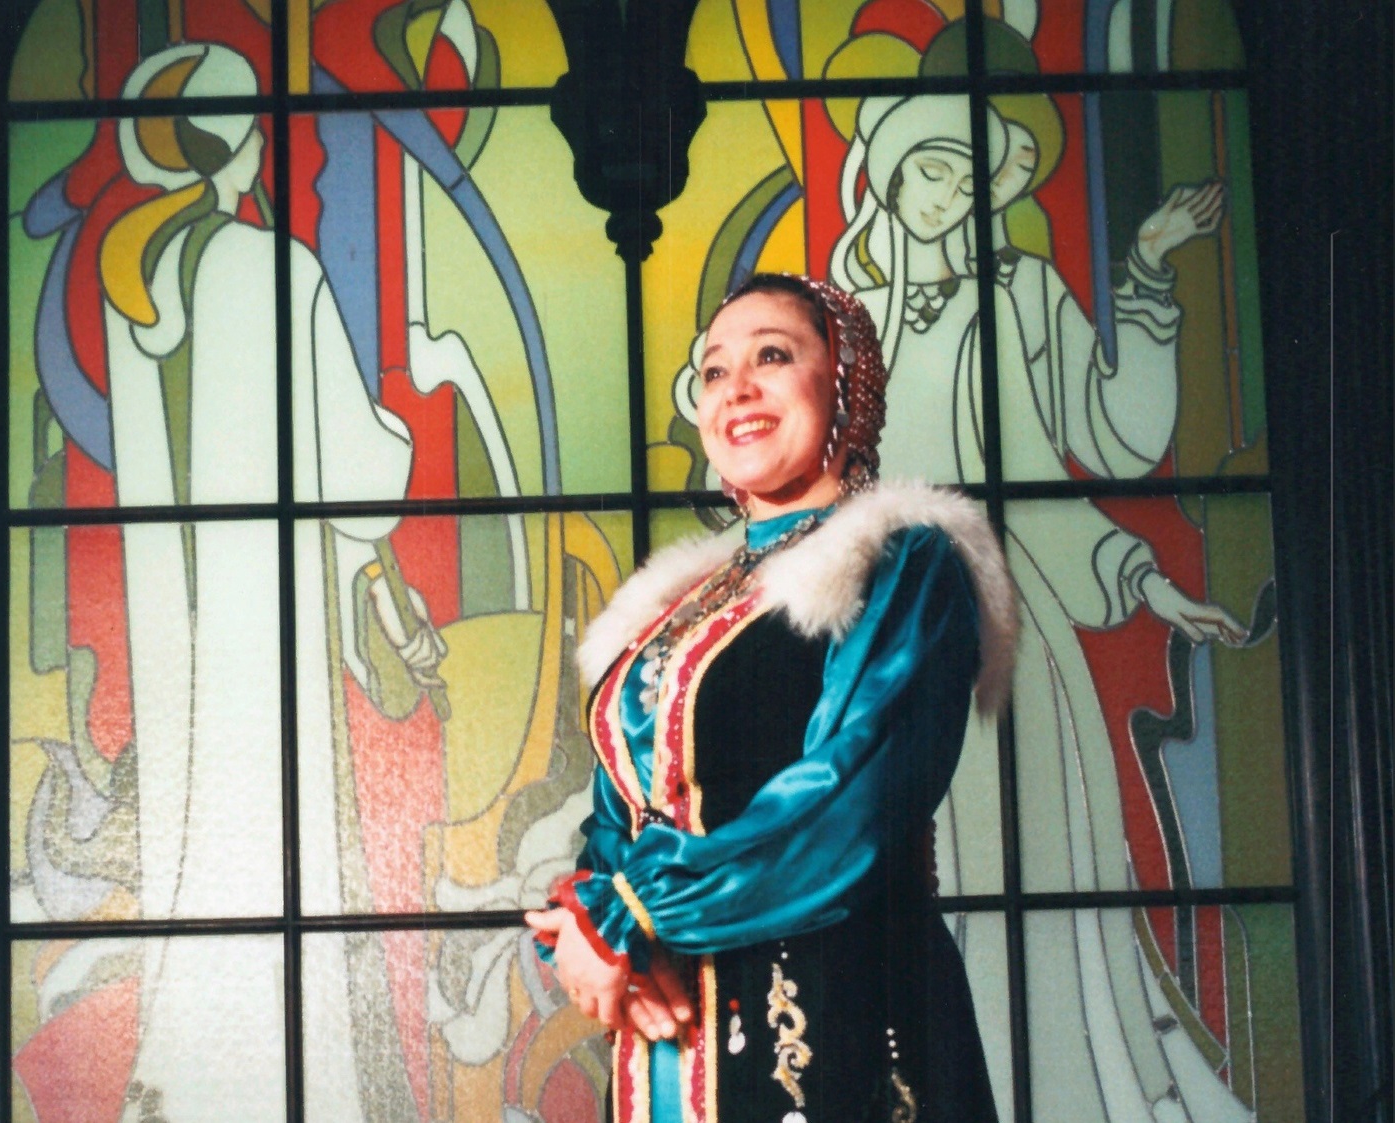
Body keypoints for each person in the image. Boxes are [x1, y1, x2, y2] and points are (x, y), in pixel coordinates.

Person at [829, 92, 1250, 1123]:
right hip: (863, 663)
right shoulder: (840, 324)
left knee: (1025, 878)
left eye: (969, 180)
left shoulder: (1015, 293)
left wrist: (1146, 269)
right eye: (931, 170)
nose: (947, 196)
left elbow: (1103, 444)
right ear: (890, 174)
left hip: (995, 649)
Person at [527, 272, 1017, 1123]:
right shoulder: (674, 607)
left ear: (847, 385)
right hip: (669, 1038)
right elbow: (617, 818)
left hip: (838, 1014)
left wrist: (631, 913)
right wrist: (596, 927)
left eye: (773, 357)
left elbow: (846, 805)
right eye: (715, 370)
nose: (738, 389)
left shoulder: (901, 562)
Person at [96, 43, 442, 1122]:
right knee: (278, 838)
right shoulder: (269, 267)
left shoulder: (132, 286)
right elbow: (360, 477)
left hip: (179, 632)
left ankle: (185, 1082)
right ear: (236, 142)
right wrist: (396, 433)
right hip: (263, 627)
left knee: (198, 844)